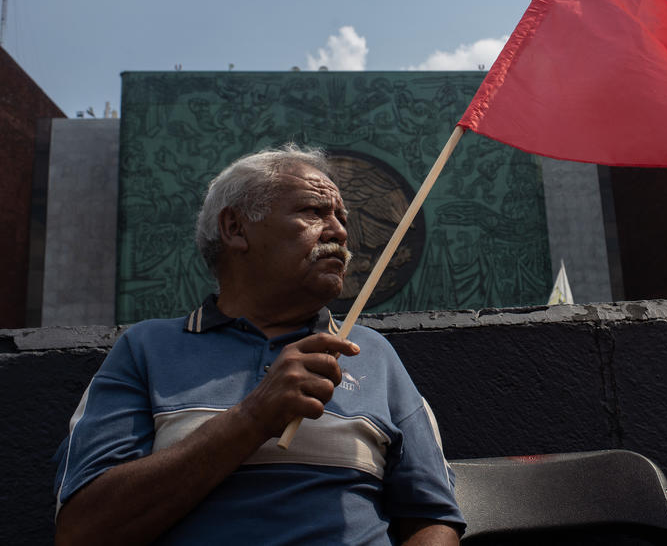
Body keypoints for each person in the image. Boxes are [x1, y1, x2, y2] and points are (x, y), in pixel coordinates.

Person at [53, 145, 464, 545]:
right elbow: (81, 530)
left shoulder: (373, 353)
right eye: (313, 211)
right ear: (235, 228)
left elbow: (434, 517)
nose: (340, 231)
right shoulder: (146, 349)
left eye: (341, 217)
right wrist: (253, 417)